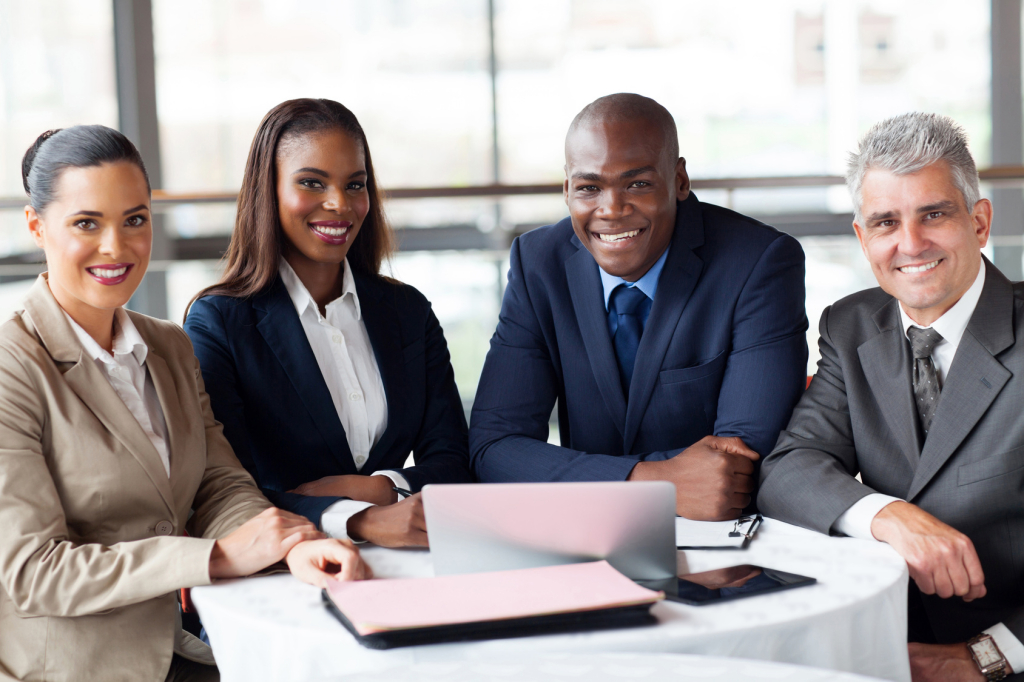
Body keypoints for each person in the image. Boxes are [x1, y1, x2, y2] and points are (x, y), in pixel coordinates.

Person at [0, 125, 369, 682]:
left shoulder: (168, 345)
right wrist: (213, 558)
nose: (116, 247)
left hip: (191, 651)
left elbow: (219, 484)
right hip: (75, 669)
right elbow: (34, 572)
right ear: (35, 226)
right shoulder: (12, 366)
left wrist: (290, 544)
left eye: (135, 220)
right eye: (86, 223)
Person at [758, 112, 1024, 682]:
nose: (910, 244)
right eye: (885, 222)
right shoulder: (851, 326)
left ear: (979, 222)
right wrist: (889, 515)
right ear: (862, 238)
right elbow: (789, 469)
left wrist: (987, 657)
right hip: (880, 646)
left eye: (933, 213)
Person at [470, 93, 808, 520]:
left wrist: (573, 476)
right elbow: (493, 449)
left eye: (637, 184)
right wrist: (652, 481)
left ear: (680, 180)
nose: (611, 210)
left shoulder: (758, 263)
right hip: (586, 532)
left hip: (719, 542)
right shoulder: (539, 263)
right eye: (589, 187)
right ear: (567, 188)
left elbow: (743, 460)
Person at [184, 99, 471, 549]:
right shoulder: (220, 323)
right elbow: (227, 492)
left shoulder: (407, 311)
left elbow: (454, 462)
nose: (340, 204)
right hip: (280, 568)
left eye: (354, 184)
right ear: (269, 190)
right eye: (312, 183)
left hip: (409, 559)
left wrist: (377, 490)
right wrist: (356, 520)